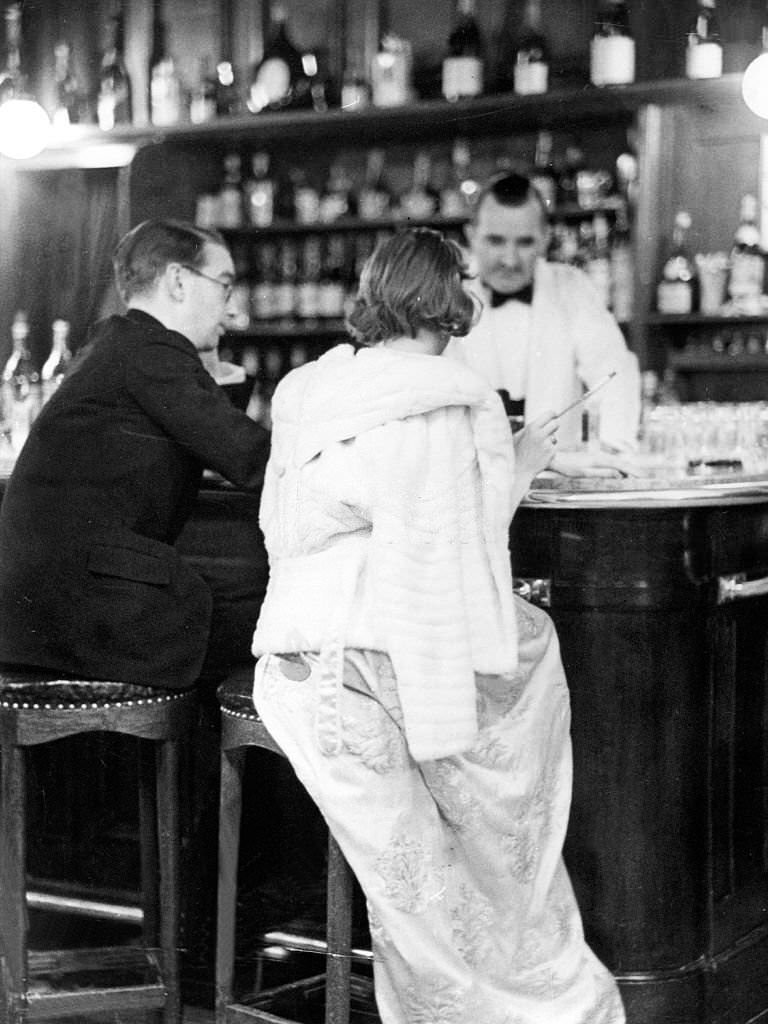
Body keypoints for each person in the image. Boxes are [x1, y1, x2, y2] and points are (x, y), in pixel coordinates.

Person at [251, 228, 625, 1023]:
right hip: (381, 658)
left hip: (293, 661)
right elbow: (453, 557)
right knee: (479, 829)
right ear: (451, 300)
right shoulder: (446, 400)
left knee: (412, 879)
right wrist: (518, 462)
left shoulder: (312, 385)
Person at [0, 219, 271, 690]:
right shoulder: (152, 352)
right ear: (179, 280)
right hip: (84, 611)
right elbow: (253, 459)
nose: (230, 311)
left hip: (42, 611)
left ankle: (190, 762)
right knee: (282, 618)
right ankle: (206, 765)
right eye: (225, 287)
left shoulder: (118, 342)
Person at [446, 171, 640, 453]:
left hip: (556, 478)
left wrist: (613, 450)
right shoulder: (449, 295)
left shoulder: (571, 287)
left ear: (545, 239)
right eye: (496, 241)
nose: (510, 259)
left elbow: (615, 374)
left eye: (525, 242)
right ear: (471, 235)